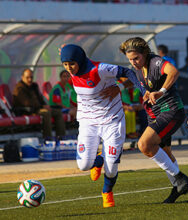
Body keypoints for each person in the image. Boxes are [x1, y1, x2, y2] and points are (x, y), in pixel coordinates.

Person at [60, 44, 146, 208]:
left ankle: (107, 192)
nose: (69, 68)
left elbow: (130, 72)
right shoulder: (73, 68)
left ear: (79, 60)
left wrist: (120, 87)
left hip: (112, 121)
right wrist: (65, 51)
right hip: (88, 123)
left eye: (71, 63)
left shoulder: (100, 69)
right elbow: (68, 53)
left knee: (112, 168)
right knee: (83, 165)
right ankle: (98, 160)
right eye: (65, 64)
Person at [120, 37, 188, 203]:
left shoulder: (155, 61)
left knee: (144, 144)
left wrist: (162, 91)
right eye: (130, 59)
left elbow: (174, 72)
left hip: (171, 111)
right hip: (156, 114)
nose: (134, 62)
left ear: (145, 53)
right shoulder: (138, 69)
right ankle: (178, 186)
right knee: (165, 153)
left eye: (136, 58)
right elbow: (133, 83)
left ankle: (180, 178)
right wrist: (118, 88)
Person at [13, 68, 66, 138]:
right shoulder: (19, 88)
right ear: (22, 77)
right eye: (27, 77)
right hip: (27, 110)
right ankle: (48, 138)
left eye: (31, 77)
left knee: (58, 112)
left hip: (38, 108)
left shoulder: (34, 86)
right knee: (46, 113)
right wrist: (42, 106)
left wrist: (45, 105)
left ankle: (61, 137)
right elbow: (27, 103)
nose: (30, 79)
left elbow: (40, 98)